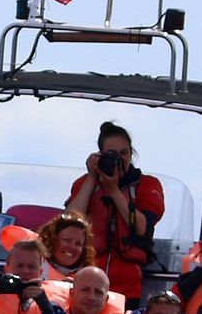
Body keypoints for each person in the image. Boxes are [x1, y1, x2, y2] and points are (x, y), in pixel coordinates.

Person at [63, 122, 164, 303]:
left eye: (124, 153)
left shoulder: (148, 185)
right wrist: (92, 178)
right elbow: (69, 221)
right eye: (112, 155)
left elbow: (142, 228)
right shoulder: (85, 184)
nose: (119, 159)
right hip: (87, 282)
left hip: (127, 287)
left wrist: (114, 190)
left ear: (131, 154)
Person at [37, 211, 96, 282]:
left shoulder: (89, 280)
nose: (72, 247)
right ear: (52, 239)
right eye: (67, 240)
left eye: (78, 244)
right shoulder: (34, 268)